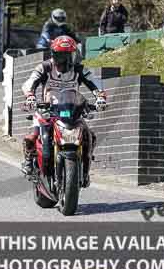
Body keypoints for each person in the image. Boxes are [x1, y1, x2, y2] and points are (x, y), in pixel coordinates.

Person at [20, 35, 106, 187]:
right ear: (54, 54)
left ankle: (84, 169)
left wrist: (100, 96)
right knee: (33, 136)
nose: (66, 59)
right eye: (62, 55)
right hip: (47, 111)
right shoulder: (45, 67)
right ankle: (28, 162)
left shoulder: (79, 70)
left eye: (69, 55)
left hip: (72, 112)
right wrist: (30, 96)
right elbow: (30, 82)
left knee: (90, 135)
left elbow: (95, 82)